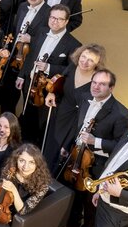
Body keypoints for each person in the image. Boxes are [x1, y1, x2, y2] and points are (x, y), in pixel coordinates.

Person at [57, 68, 128, 227]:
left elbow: (120, 147)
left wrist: (95, 141)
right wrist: (69, 146)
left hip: (97, 164)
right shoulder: (84, 98)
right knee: (71, 187)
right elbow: (79, 125)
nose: (96, 87)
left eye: (102, 84)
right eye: (94, 82)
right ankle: (72, 218)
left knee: (90, 203)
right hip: (77, 155)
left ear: (111, 88)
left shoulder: (120, 114)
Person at [15, 4, 81, 144]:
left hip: (47, 88)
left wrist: (49, 67)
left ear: (66, 21)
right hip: (30, 81)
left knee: (41, 121)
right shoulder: (41, 31)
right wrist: (22, 75)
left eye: (59, 19)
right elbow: (31, 56)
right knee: (27, 112)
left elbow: (70, 71)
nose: (54, 21)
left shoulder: (74, 44)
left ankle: (35, 147)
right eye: (52, 17)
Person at [39, 44, 107, 173]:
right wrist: (52, 93)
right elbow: (60, 85)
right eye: (83, 56)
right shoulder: (72, 68)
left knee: (61, 155)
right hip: (59, 113)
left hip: (75, 123)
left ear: (97, 63)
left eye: (91, 60)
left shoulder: (97, 81)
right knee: (48, 148)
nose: (85, 62)